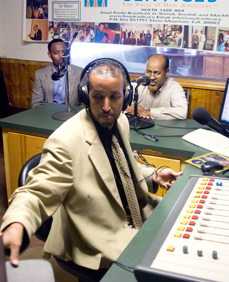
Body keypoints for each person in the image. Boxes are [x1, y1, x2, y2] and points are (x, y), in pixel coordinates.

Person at [1, 58, 182, 277]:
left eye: (114, 97)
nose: (107, 106)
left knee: (183, 233)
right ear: (87, 96)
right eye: (98, 96)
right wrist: (18, 222)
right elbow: (37, 192)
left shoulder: (120, 120)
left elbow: (120, 167)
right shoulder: (65, 140)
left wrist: (153, 175)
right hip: (100, 235)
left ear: (124, 97)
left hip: (136, 214)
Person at [125, 54, 188, 120]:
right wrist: (132, 110)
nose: (152, 77)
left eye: (157, 73)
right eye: (148, 72)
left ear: (166, 72)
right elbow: (123, 108)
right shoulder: (136, 84)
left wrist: (149, 112)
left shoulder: (174, 87)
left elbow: (182, 112)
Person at [30, 39, 83, 108]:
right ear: (49, 55)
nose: (61, 56)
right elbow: (36, 103)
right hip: (48, 114)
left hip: (71, 114)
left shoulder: (80, 73)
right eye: (56, 53)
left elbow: (85, 103)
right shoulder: (40, 74)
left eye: (64, 52)